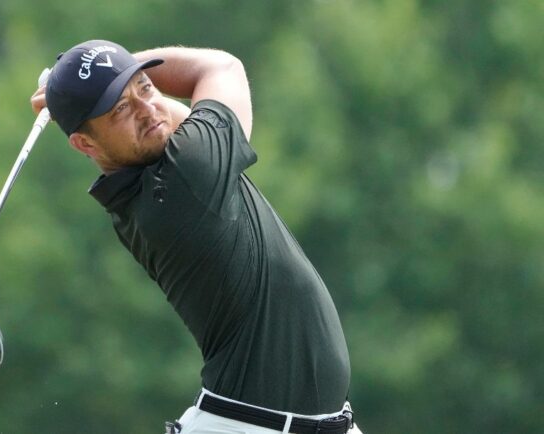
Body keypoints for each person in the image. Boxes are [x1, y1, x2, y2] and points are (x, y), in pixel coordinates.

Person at [31, 39, 363, 434]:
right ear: (84, 144)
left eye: (145, 87)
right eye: (120, 109)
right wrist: (116, 69)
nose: (146, 109)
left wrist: (98, 77)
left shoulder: (145, 179)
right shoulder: (187, 176)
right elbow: (220, 68)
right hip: (250, 426)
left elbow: (164, 120)